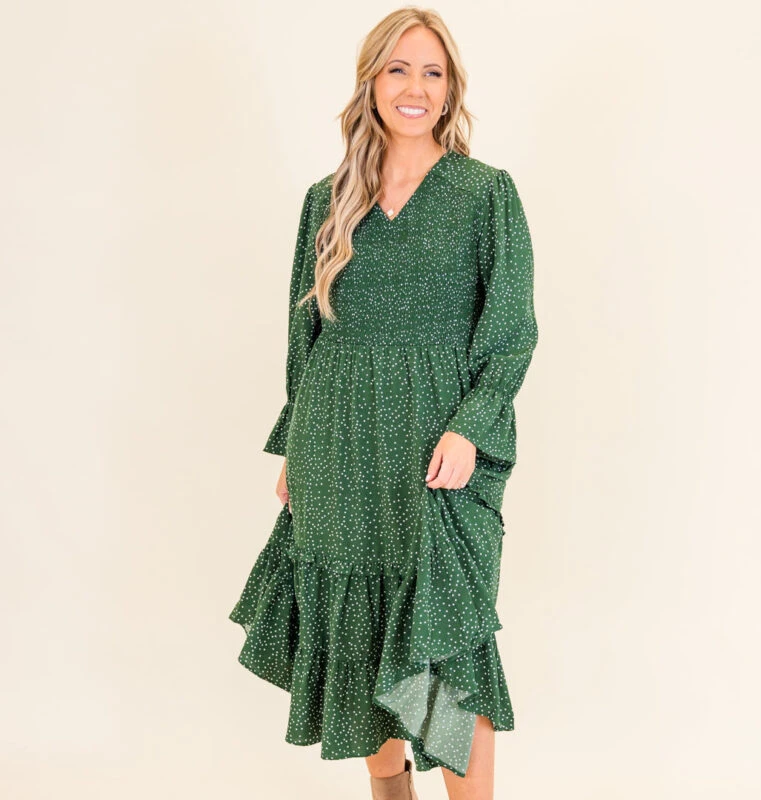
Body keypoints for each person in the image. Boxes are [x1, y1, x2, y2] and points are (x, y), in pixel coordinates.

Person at [228, 8, 538, 799]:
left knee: (440, 653)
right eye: (398, 69)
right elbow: (305, 338)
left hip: (434, 454)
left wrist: (471, 427)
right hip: (337, 448)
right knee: (362, 646)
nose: (415, 87)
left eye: (432, 72)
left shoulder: (484, 194)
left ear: (451, 89)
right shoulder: (326, 200)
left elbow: (510, 332)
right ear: (371, 82)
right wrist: (295, 447)